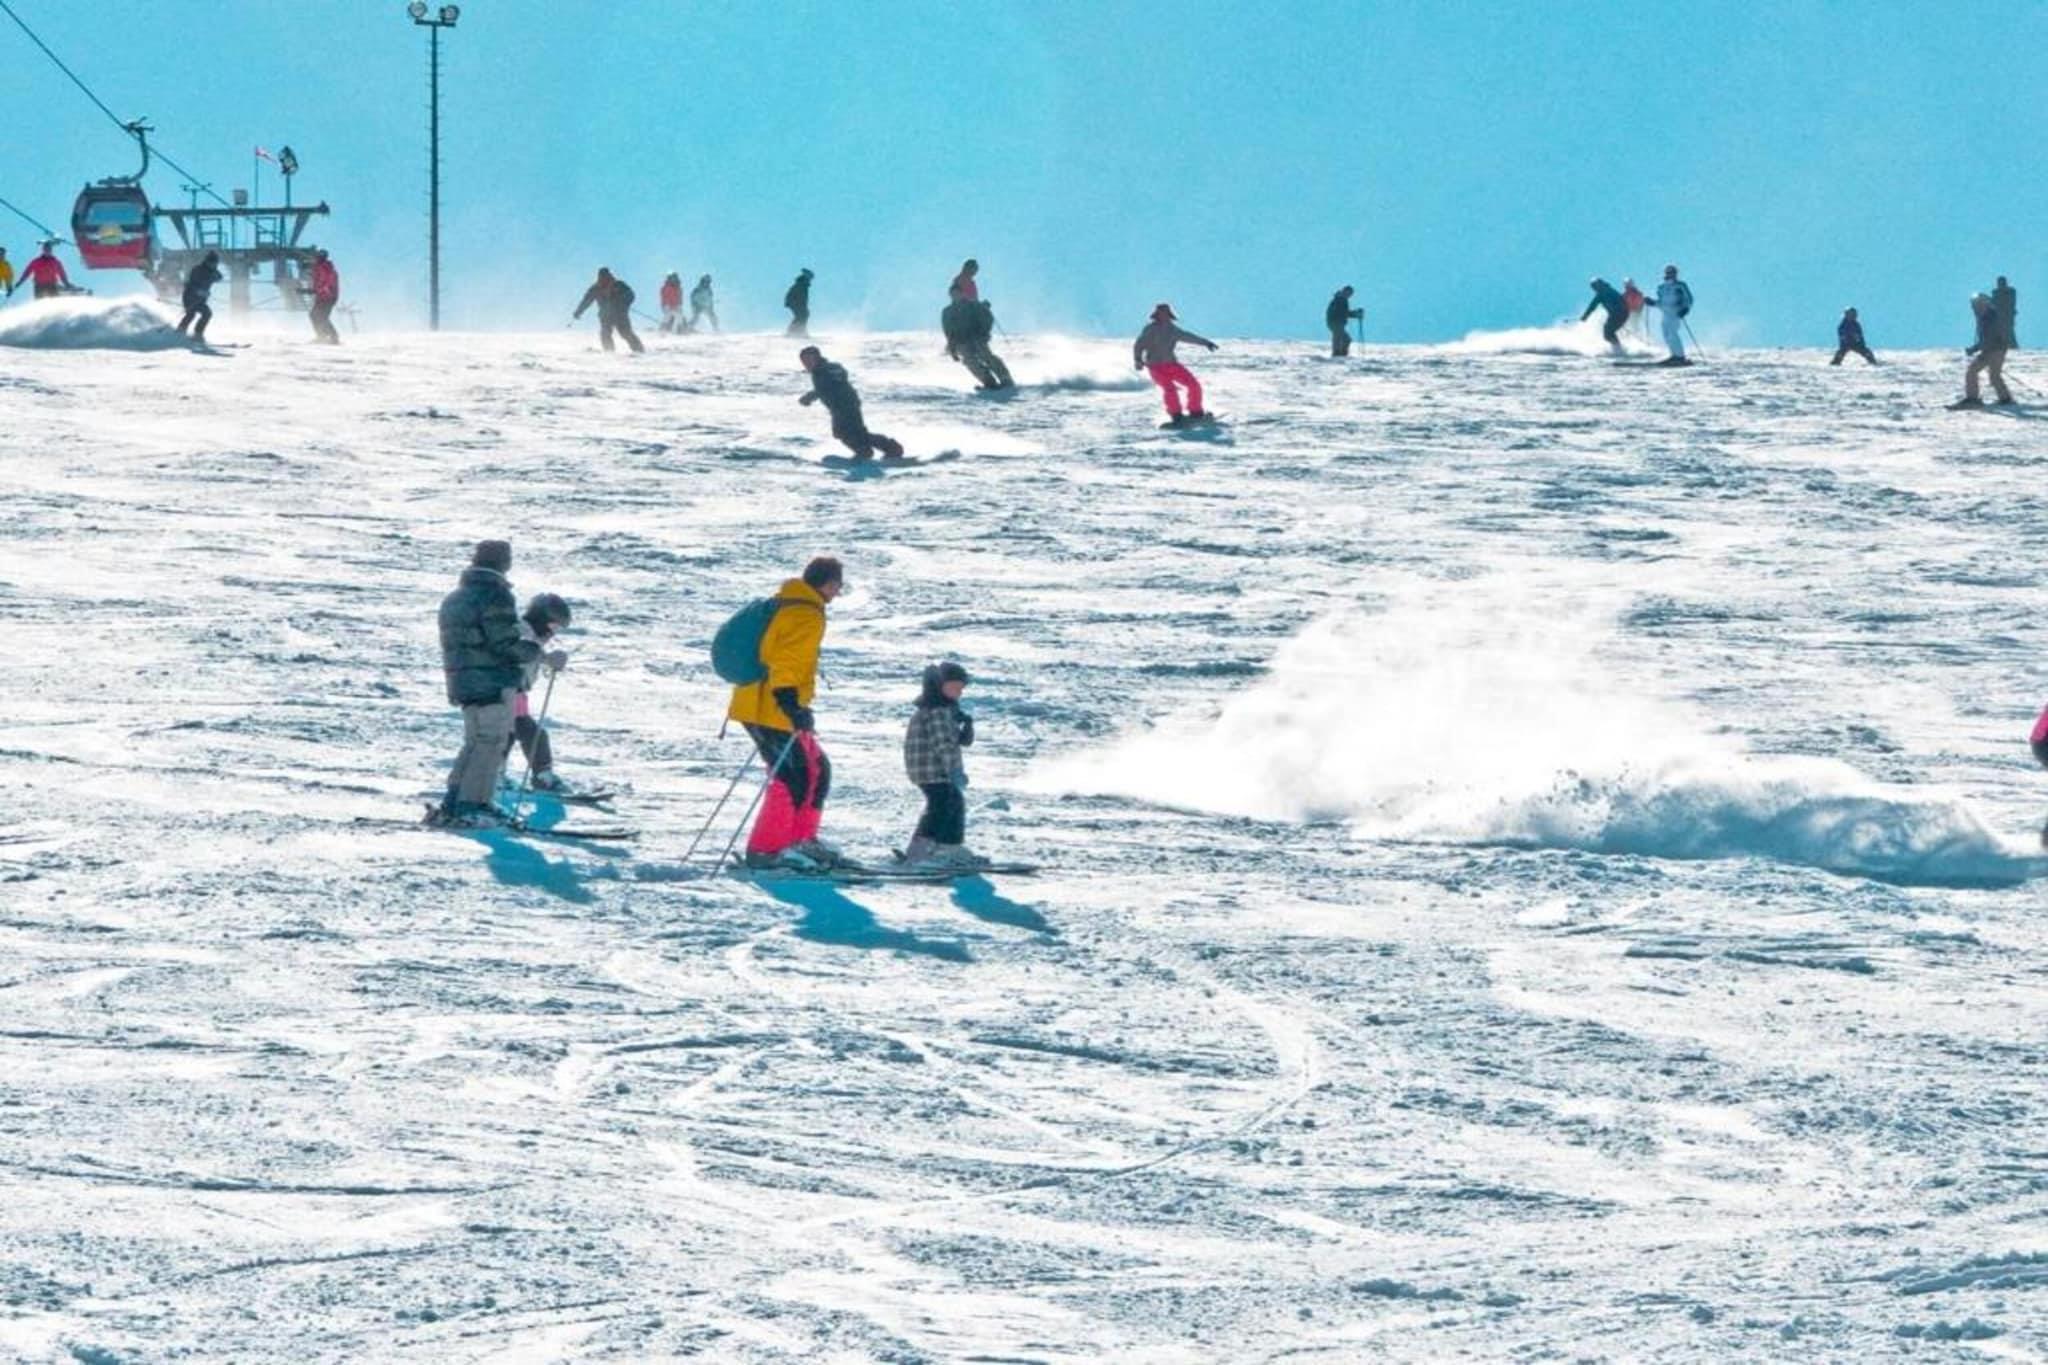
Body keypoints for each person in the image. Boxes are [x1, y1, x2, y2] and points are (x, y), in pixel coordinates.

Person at [727, 556, 844, 869]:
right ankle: (767, 851)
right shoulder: (805, 613)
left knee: (817, 770)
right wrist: (791, 703)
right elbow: (787, 661)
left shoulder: (789, 603)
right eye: (838, 585)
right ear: (828, 583)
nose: (838, 592)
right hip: (769, 707)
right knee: (792, 778)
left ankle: (799, 841)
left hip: (767, 704)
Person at [430, 540, 548, 828]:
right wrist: (539, 653)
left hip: (463, 681)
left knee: (474, 742)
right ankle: (474, 804)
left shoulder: (456, 597)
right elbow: (504, 643)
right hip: (492, 681)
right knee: (491, 743)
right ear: (504, 563)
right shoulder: (495, 594)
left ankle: (454, 801)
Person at [900, 661, 984, 870]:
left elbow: (955, 740)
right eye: (954, 687)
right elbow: (944, 744)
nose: (958, 693)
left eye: (960, 689)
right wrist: (954, 769)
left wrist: (965, 726)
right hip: (930, 769)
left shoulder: (942, 710)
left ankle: (949, 846)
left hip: (934, 769)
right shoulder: (937, 710)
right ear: (939, 686)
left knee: (954, 802)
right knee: (941, 805)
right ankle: (920, 851)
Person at [509, 592, 574, 794]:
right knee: (528, 735)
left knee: (516, 735)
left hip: (516, 695)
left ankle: (501, 774)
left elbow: (531, 654)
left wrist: (550, 661)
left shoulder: (530, 635)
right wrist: (547, 658)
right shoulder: (520, 632)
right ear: (541, 619)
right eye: (554, 626)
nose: (552, 634)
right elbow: (519, 652)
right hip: (505, 694)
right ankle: (541, 778)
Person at [799, 346, 905, 459]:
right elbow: (831, 383)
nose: (806, 364)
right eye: (804, 361)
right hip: (845, 404)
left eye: (809, 359)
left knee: (844, 432)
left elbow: (827, 386)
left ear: (817, 357)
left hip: (844, 405)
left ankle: (882, 449)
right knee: (854, 432)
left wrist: (809, 397)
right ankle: (871, 450)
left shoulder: (823, 370)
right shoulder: (825, 369)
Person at [1133, 302, 1218, 424]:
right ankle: (1176, 415)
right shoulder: (1150, 329)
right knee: (1170, 389)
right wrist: (1138, 359)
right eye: (1161, 313)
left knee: (1194, 385)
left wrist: (1206, 343)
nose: (1164, 315)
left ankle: (1195, 412)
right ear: (1156, 315)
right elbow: (1139, 345)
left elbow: (1188, 337)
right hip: (1155, 367)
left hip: (1172, 365)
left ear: (1169, 314)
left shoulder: (1173, 329)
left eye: (1166, 313)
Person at [941, 285, 1014, 389]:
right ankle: (988, 381)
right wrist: (952, 347)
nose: (955, 296)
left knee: (986, 356)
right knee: (970, 361)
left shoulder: (973, 305)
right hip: (961, 341)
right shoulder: (948, 311)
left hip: (977, 338)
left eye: (957, 293)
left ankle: (1005, 378)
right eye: (953, 294)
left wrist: (984, 333)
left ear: (962, 293)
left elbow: (987, 318)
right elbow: (948, 330)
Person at [1955, 292, 2015, 408]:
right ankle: (2004, 398)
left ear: (1984, 304)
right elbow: (1986, 339)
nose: (1974, 309)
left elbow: (1990, 337)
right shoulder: (1986, 317)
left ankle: (1973, 398)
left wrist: (1980, 350)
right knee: (1991, 375)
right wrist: (1974, 349)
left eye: (1976, 305)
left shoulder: (1989, 318)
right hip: (1995, 350)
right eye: (1973, 306)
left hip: (1994, 350)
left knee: (1975, 372)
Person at [572, 267, 644, 354]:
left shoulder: (619, 285)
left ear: (609, 275)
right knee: (605, 334)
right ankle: (609, 352)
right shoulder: (595, 288)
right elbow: (586, 301)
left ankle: (639, 350)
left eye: (605, 276)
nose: (603, 278)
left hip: (620, 314)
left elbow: (631, 295)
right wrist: (578, 312)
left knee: (625, 333)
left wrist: (623, 303)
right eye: (601, 276)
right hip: (605, 316)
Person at [1646, 264, 1693, 365]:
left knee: (1672, 333)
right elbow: (1661, 302)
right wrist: (1652, 302)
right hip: (1665, 314)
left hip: (1675, 313)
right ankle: (1674, 355)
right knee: (1666, 334)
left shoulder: (1680, 285)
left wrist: (1685, 309)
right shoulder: (1662, 287)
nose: (1670, 274)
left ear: (1676, 274)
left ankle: (1680, 356)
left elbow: (1688, 299)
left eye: (1672, 272)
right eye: (1668, 272)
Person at [176, 251, 223, 340]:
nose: (213, 265)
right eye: (212, 263)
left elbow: (220, 277)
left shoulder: (213, 271)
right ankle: (180, 331)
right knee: (191, 314)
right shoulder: (198, 270)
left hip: (200, 300)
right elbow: (191, 284)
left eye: (215, 263)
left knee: (207, 314)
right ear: (207, 261)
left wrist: (214, 275)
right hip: (189, 297)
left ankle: (198, 333)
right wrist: (199, 291)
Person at [1580, 277, 1628, 350]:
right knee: (1608, 333)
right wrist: (1585, 316)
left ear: (1600, 284)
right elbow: (1592, 306)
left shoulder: (1605, 292)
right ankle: (1618, 348)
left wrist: (1585, 316)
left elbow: (1592, 306)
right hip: (1620, 314)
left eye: (1595, 286)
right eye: (1593, 287)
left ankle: (1618, 348)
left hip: (1619, 314)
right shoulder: (1606, 291)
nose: (1594, 289)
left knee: (1608, 332)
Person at [307, 249, 341, 344]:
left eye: (317, 257)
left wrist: (317, 290)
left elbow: (327, 283)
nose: (315, 259)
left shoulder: (326, 268)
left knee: (321, 316)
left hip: (328, 296)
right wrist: (311, 290)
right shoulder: (318, 268)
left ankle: (333, 337)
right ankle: (322, 335)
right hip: (322, 296)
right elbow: (319, 282)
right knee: (315, 315)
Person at [1326, 285, 1363, 357]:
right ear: (1345, 291)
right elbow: (1343, 312)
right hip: (1336, 322)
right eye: (1349, 293)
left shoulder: (1340, 299)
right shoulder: (1340, 300)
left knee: (1344, 339)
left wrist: (1355, 314)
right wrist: (1356, 314)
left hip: (1335, 322)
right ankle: (1338, 354)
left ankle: (1340, 354)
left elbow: (1344, 312)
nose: (1350, 296)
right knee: (1341, 338)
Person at [785, 268, 813, 336]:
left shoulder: (804, 285)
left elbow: (804, 298)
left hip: (797, 303)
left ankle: (799, 330)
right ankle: (794, 331)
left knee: (804, 315)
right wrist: (792, 302)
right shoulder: (800, 285)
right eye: (810, 278)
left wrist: (804, 306)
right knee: (801, 315)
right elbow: (793, 295)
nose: (810, 280)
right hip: (794, 303)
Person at [1993, 275, 2019, 350]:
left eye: (2001, 282)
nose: (2000, 284)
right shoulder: (1995, 292)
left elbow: (2011, 302)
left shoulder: (2010, 291)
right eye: (1999, 282)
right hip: (1998, 316)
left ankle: (2013, 347)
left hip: (2007, 315)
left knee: (2009, 332)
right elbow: (1993, 303)